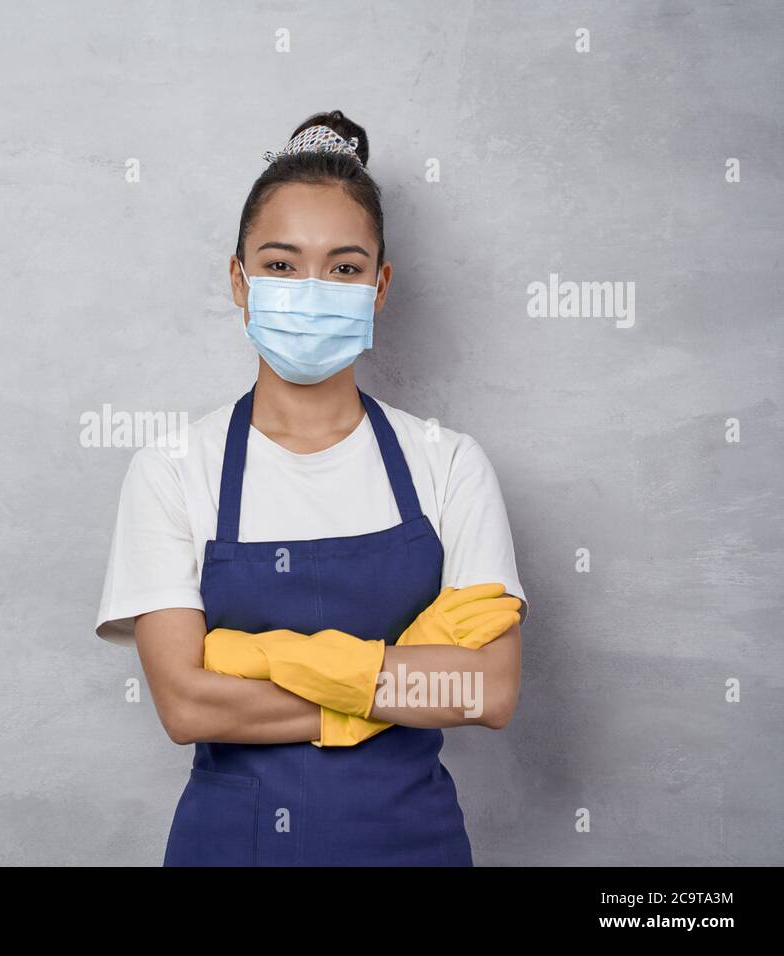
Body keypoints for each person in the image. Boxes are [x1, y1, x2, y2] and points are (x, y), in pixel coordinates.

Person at [93, 111, 529, 866]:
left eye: (345, 267)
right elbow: (186, 703)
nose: (312, 288)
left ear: (380, 286)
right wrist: (392, 680)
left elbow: (485, 692)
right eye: (282, 265)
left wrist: (250, 658)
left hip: (413, 847)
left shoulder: (448, 465)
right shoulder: (171, 469)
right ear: (239, 279)